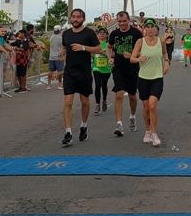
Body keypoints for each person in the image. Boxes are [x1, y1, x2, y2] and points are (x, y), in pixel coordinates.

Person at [60, 9, 102, 147]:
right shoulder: (66, 33)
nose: (76, 19)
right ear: (70, 19)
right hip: (69, 72)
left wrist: (83, 48)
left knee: (84, 101)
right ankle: (68, 132)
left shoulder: (89, 33)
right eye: (73, 17)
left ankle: (84, 125)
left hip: (84, 72)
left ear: (83, 19)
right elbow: (64, 47)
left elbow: (99, 49)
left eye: (78, 17)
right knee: (68, 102)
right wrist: (63, 52)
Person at [130, 18, 170, 147]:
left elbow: (165, 54)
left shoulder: (161, 41)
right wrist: (139, 59)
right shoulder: (140, 42)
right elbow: (132, 58)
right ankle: (147, 130)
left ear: (156, 29)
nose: (150, 29)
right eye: (147, 27)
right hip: (143, 78)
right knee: (146, 107)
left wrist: (167, 63)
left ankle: (154, 133)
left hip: (157, 78)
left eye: (152, 27)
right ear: (144, 29)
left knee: (152, 105)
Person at [109, 11, 143, 136]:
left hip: (132, 68)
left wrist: (134, 55)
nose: (122, 23)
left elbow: (143, 50)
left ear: (129, 20)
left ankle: (132, 116)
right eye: (119, 21)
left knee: (132, 96)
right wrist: (110, 58)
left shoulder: (136, 33)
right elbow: (109, 46)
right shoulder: (114, 34)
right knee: (119, 94)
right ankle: (119, 124)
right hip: (118, 68)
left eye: (124, 21)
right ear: (117, 21)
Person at [93, 27, 112, 114]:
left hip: (106, 68)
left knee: (104, 85)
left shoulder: (108, 44)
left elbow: (112, 55)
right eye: (100, 33)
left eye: (103, 33)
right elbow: (91, 54)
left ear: (106, 35)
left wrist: (103, 53)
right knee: (97, 85)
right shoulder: (94, 44)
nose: (101, 34)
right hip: (96, 68)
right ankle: (97, 104)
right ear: (97, 35)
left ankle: (104, 100)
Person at [12, 27, 34, 92]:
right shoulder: (18, 41)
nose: (18, 35)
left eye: (19, 33)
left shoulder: (26, 41)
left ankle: (23, 87)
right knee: (18, 74)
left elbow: (24, 48)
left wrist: (17, 48)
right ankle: (20, 87)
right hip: (18, 60)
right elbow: (11, 44)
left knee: (23, 74)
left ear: (23, 34)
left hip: (23, 59)